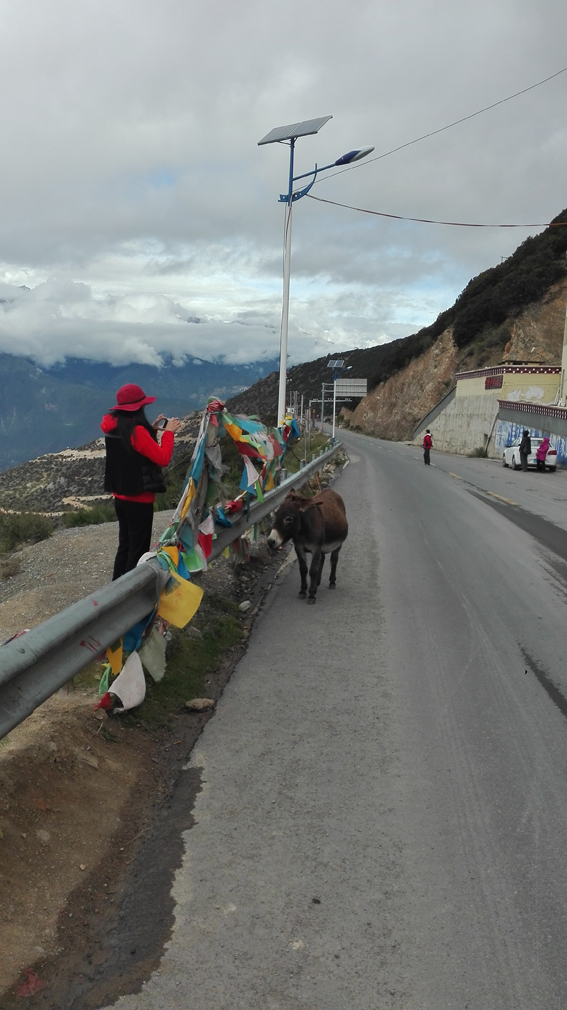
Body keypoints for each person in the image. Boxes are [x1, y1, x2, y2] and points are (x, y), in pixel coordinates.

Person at [101, 383, 181, 580]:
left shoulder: (115, 427)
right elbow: (162, 458)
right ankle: (128, 594)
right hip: (139, 499)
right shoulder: (136, 431)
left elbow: (133, 451)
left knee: (125, 546)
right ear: (138, 408)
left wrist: (151, 431)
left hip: (120, 496)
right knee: (138, 550)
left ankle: (115, 587)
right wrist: (168, 433)